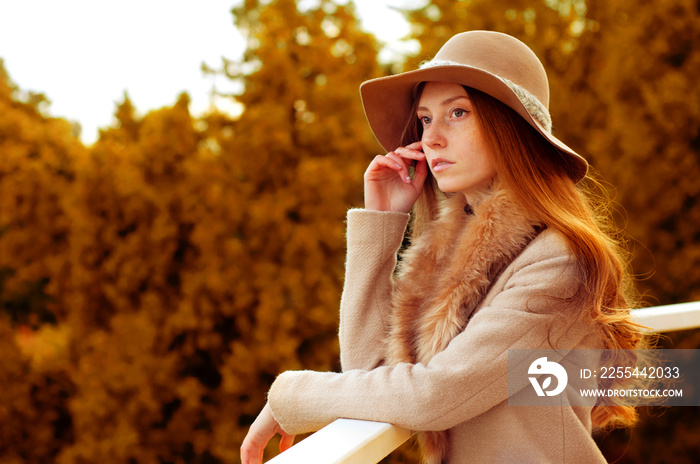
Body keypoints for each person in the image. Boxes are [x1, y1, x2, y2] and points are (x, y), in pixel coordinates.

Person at [241, 30, 647, 464]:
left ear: (510, 128)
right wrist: (381, 224)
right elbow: (374, 374)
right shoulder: (452, 259)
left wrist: (292, 395)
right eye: (426, 118)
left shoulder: (557, 262)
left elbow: (432, 396)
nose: (431, 138)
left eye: (457, 112)